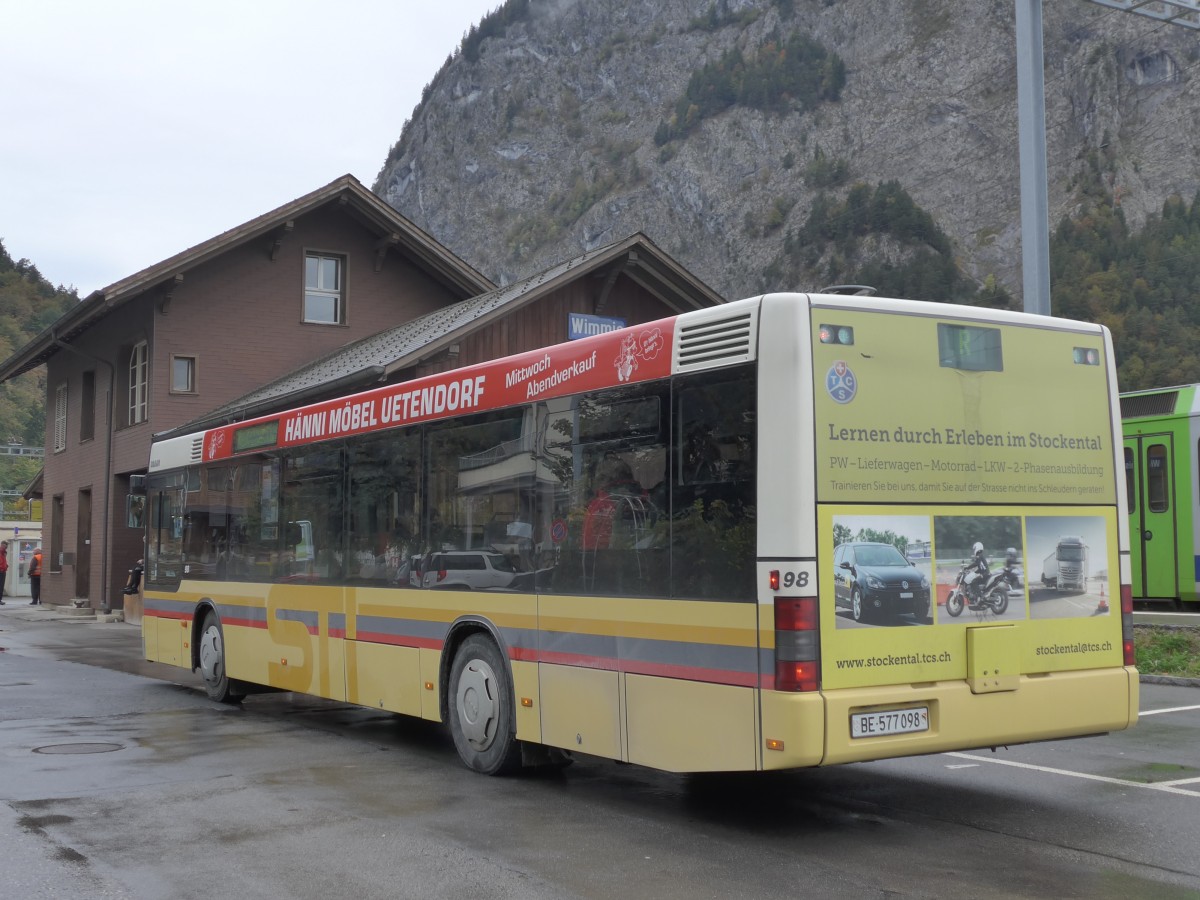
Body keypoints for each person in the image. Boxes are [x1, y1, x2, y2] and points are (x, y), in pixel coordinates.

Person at [0, 540, 8, 604]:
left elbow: (3, 561)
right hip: (1, 571)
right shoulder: (2, 551)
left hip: (3, 570)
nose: (6, 547)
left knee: (1, 586)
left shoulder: (4, 552)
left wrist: (6, 566)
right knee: (1, 586)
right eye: (5, 545)